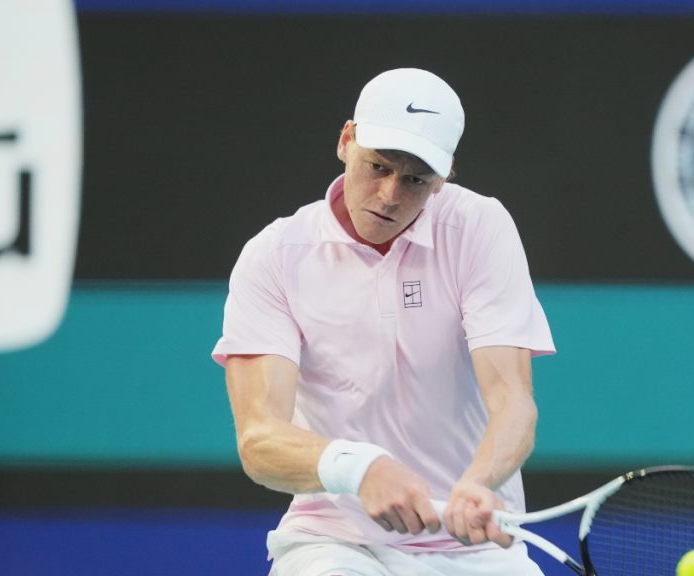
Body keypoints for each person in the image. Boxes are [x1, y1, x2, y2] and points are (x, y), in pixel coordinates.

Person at [212, 68, 555, 575]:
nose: (391, 194)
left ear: (444, 178)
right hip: (334, 542)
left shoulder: (479, 227)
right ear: (346, 140)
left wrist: (479, 481)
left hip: (475, 547)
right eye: (378, 166)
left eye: (416, 179)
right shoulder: (275, 256)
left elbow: (514, 403)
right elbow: (260, 440)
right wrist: (358, 467)